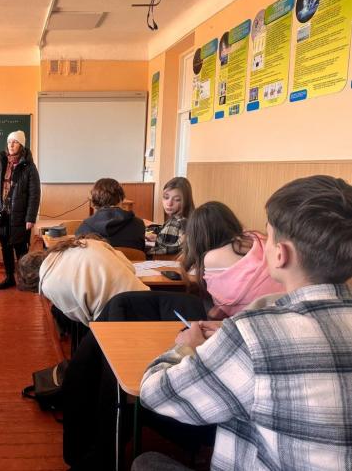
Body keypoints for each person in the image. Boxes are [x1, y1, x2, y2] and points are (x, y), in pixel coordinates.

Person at [135, 175, 352, 470]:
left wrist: (187, 348)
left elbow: (154, 393)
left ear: (281, 253)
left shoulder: (252, 334)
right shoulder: (252, 328)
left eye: (268, 236)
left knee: (146, 462)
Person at [181, 201, 284, 319]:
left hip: (255, 317)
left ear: (197, 236)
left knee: (195, 303)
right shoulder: (256, 237)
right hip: (282, 306)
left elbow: (221, 305)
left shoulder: (212, 257)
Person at [17, 236, 149, 326]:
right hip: (149, 299)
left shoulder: (49, 284)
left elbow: (80, 316)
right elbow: (130, 268)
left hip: (120, 318)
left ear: (34, 283)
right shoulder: (85, 243)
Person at [0, 130, 40, 289]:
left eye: (15, 142)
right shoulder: (2, 163)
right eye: (9, 141)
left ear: (21, 145)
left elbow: (34, 194)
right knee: (5, 247)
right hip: (2, 215)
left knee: (21, 249)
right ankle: (9, 278)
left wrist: (30, 218)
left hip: (20, 216)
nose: (11, 145)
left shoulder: (29, 167)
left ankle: (25, 280)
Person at [76, 177, 145, 251]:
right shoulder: (138, 224)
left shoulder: (85, 227)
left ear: (94, 199)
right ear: (121, 198)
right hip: (129, 259)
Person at [146, 177, 194, 256]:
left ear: (186, 201)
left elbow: (160, 252)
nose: (169, 203)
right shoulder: (190, 219)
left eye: (177, 199)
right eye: (166, 197)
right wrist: (157, 237)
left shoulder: (176, 222)